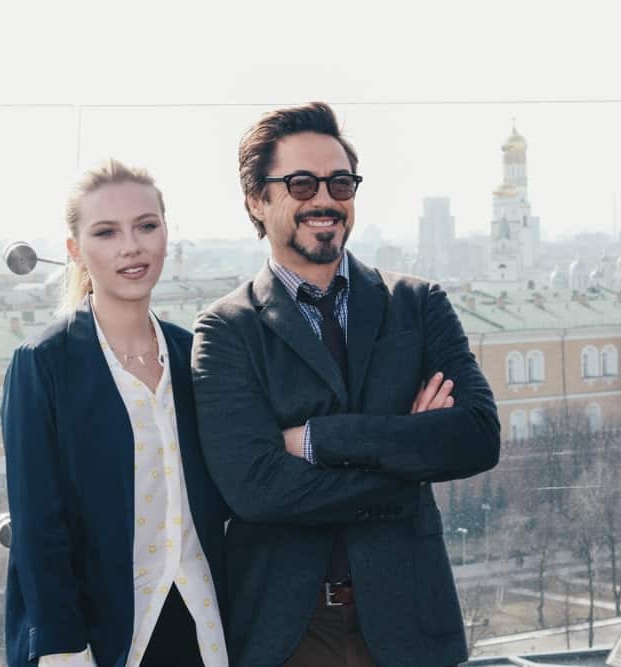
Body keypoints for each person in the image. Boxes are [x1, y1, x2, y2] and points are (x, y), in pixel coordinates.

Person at [191, 102, 500, 666]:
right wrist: (405, 462)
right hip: (288, 632)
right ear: (258, 201)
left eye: (340, 182)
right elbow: (255, 487)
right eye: (302, 184)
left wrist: (319, 441)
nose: (326, 199)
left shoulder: (417, 304)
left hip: (410, 624)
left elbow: (477, 436)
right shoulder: (226, 330)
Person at [1, 160, 229, 667]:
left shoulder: (194, 355)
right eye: (107, 232)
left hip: (206, 625)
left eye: (146, 226)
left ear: (166, 234)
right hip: (102, 639)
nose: (132, 246)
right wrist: (64, 650)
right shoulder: (43, 364)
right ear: (75, 250)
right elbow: (38, 527)